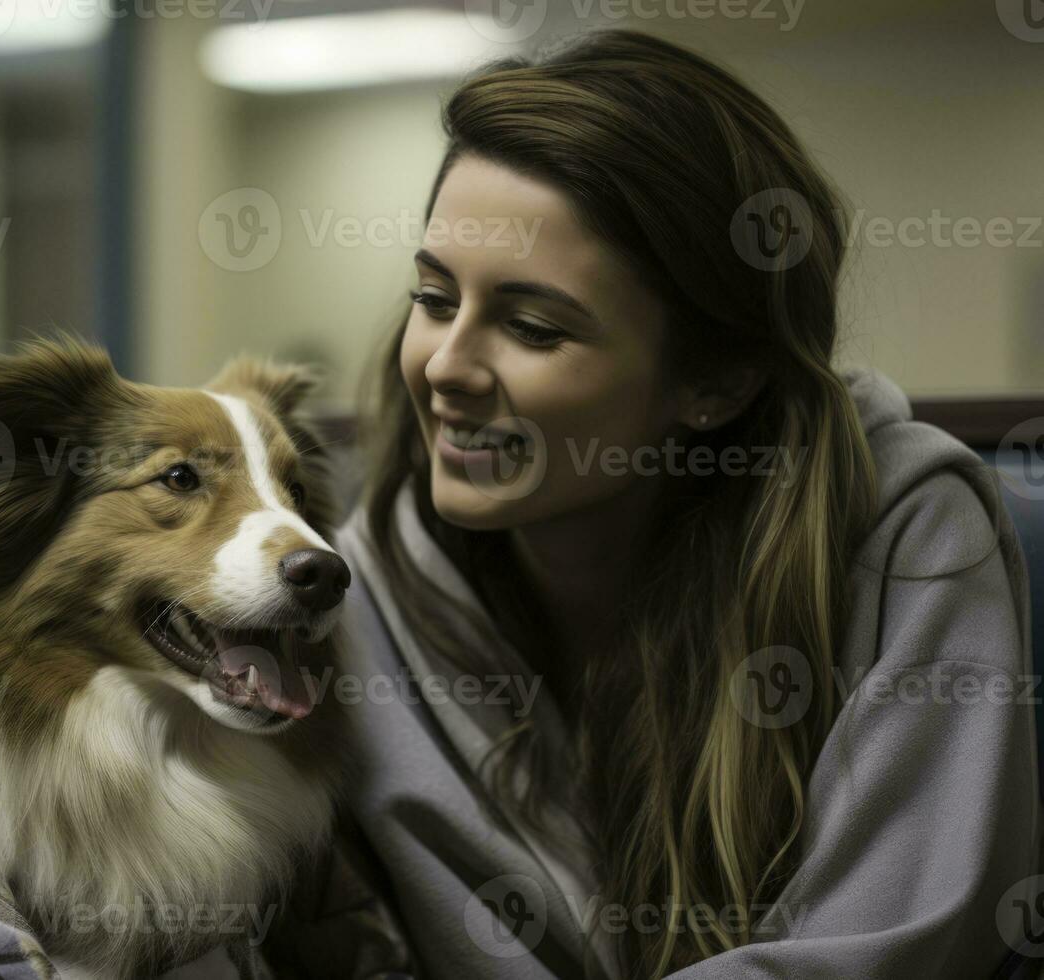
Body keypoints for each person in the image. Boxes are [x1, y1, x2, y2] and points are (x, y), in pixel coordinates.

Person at [324, 28, 1038, 980]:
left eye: (532, 326)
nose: (448, 367)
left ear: (719, 380)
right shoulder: (349, 591)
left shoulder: (909, 535)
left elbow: (892, 950)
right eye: (434, 297)